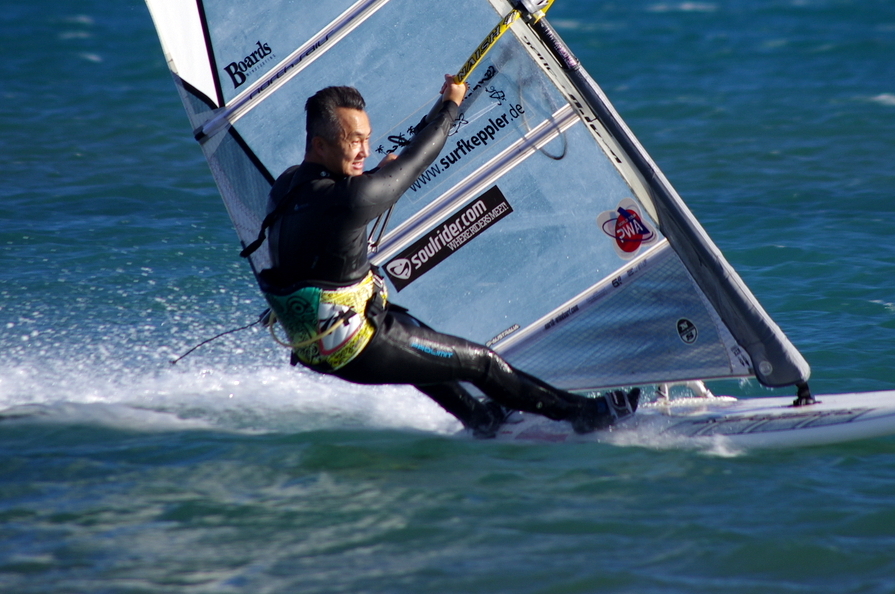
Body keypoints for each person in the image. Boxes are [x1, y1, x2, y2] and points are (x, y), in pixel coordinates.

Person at [246, 77, 638, 437]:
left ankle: (479, 418)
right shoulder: (351, 199)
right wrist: (451, 104)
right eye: (354, 141)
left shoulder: (284, 188)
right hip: (354, 347)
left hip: (313, 345)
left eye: (367, 138)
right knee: (482, 363)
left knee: (415, 336)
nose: (365, 150)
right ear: (320, 145)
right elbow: (416, 159)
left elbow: (317, 227)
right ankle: (583, 414)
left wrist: (371, 176)